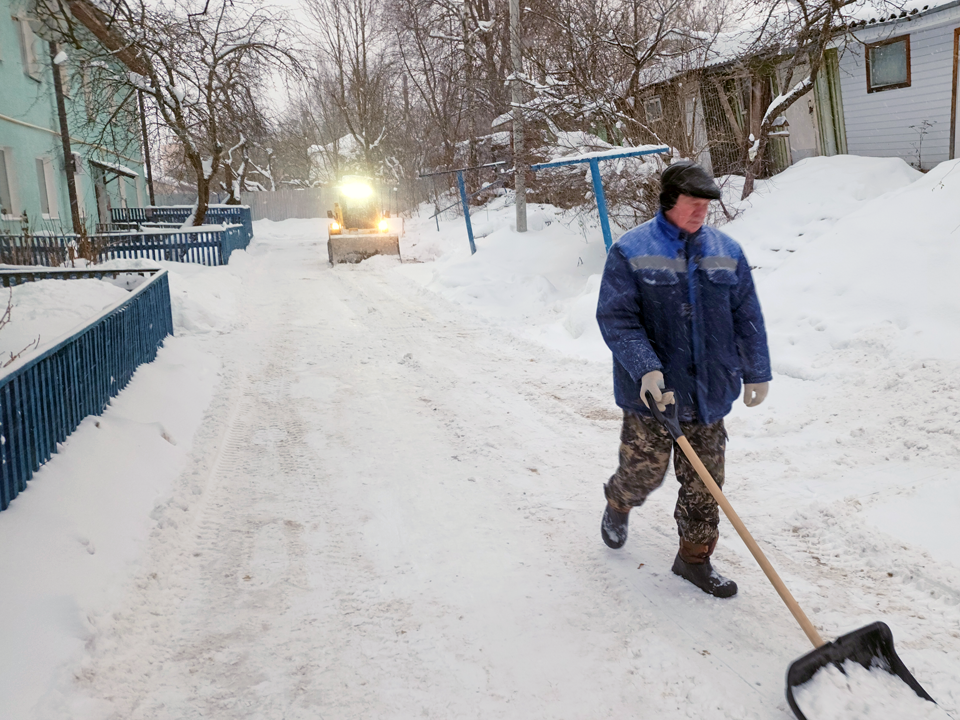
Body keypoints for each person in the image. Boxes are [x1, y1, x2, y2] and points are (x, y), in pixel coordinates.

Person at [595, 160, 771, 599]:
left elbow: (746, 315)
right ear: (669, 201)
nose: (700, 214)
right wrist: (646, 367)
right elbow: (617, 318)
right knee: (643, 473)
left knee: (705, 484)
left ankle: (694, 560)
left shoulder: (726, 251)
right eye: (692, 205)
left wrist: (757, 370)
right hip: (651, 396)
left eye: (706, 207)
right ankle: (619, 501)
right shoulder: (631, 249)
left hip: (709, 394)